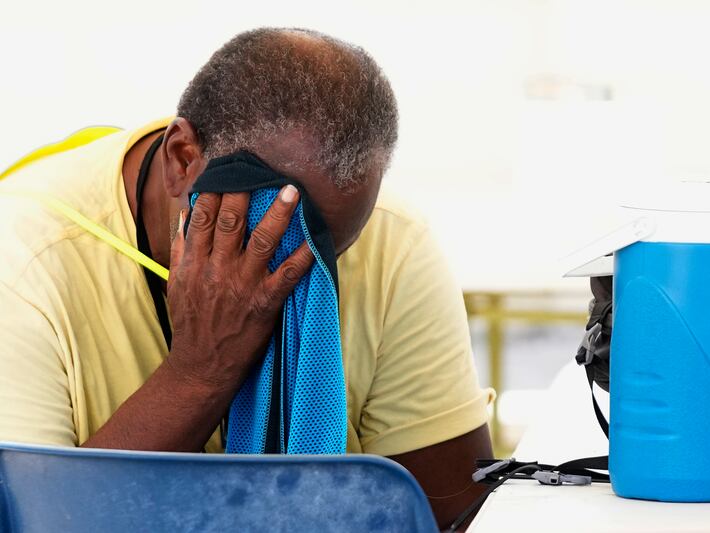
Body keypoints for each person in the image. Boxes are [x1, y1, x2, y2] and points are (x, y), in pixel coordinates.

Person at [0, 27, 493, 527]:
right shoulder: (20, 264)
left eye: (331, 255)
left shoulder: (391, 239)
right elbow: (40, 519)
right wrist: (201, 371)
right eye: (276, 236)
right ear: (183, 160)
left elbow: (453, 513)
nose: (299, 282)